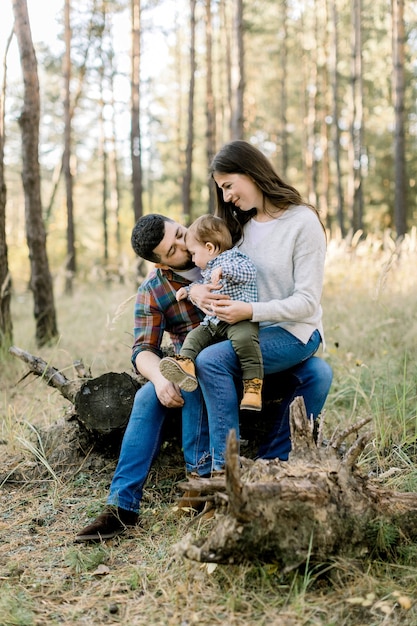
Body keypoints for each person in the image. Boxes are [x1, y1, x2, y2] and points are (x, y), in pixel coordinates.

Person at [74, 212, 332, 543]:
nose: (184, 245)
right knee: (147, 396)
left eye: (181, 234)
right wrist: (159, 378)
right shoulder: (155, 290)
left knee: (319, 373)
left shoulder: (224, 245)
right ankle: (122, 506)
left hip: (251, 360)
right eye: (173, 250)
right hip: (195, 373)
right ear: (162, 264)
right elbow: (142, 350)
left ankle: (271, 464)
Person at [187, 140, 329, 471]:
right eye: (221, 190)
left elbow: (307, 303)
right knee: (319, 374)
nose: (226, 197)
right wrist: (198, 293)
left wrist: (250, 312)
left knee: (211, 360)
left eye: (228, 185)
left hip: (294, 332)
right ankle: (264, 462)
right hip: (249, 333)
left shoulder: (302, 222)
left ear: (251, 172)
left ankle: (226, 470)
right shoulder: (241, 229)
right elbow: (209, 265)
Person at [159, 213, 264, 413]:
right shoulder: (208, 270)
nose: (192, 258)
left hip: (239, 319)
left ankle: (253, 387)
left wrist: (224, 270)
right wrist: (188, 291)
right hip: (215, 321)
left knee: (246, 342)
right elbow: (202, 285)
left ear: (209, 248)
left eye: (193, 253)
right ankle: (186, 363)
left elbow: (249, 271)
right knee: (195, 336)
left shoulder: (233, 258)